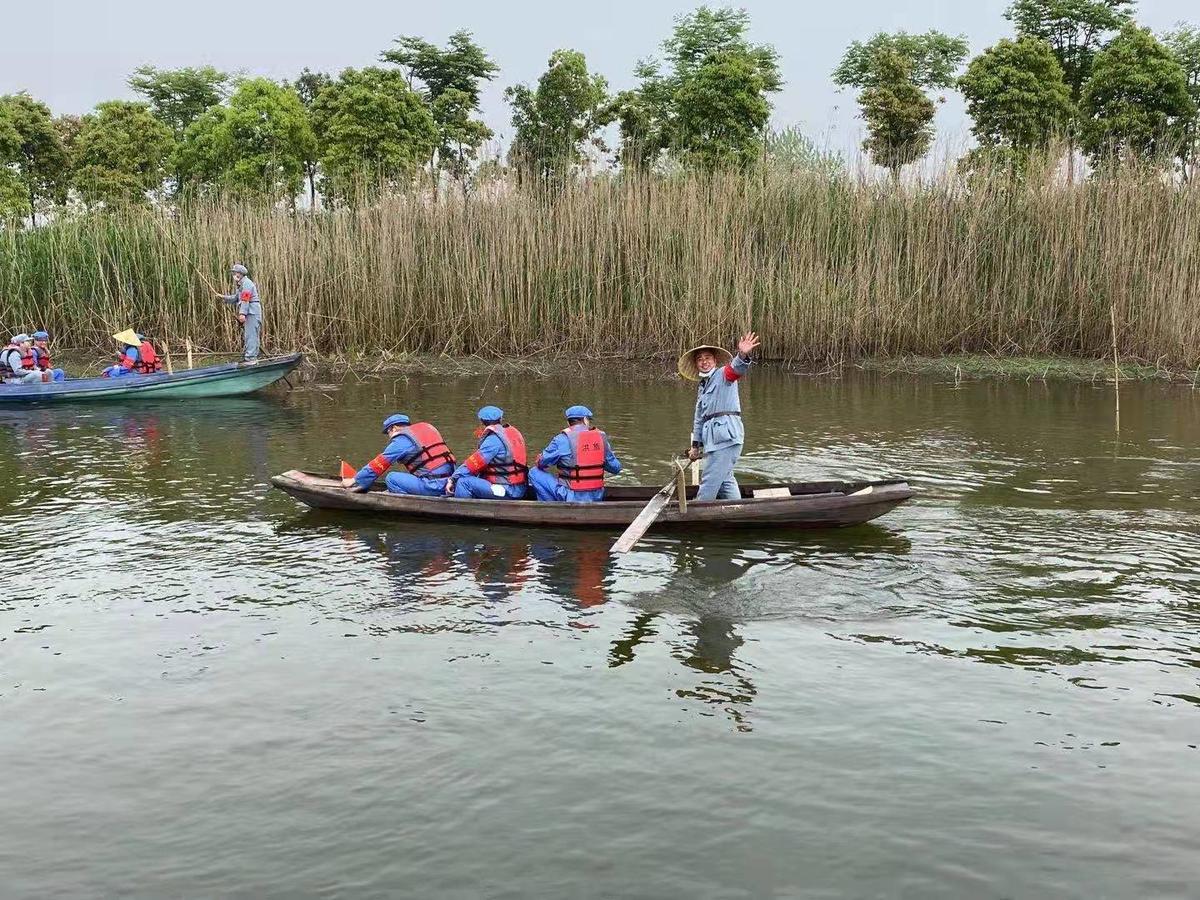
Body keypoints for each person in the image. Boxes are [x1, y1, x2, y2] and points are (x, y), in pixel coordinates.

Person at [679, 331, 761, 501]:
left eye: (708, 358)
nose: (704, 362)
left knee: (709, 481)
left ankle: (696, 514)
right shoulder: (702, 387)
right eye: (700, 359)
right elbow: (699, 419)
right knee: (725, 480)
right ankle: (738, 512)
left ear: (715, 361)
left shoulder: (724, 374)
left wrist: (743, 354)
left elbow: (736, 369)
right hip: (712, 441)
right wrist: (695, 446)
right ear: (696, 364)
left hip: (726, 437)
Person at [341, 414, 456, 496]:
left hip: (434, 486)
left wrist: (355, 480)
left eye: (388, 433)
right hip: (450, 482)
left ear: (394, 428)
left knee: (391, 478)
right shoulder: (426, 429)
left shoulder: (402, 440)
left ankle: (409, 504)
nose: (389, 437)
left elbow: (379, 463)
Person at [528, 405, 622, 503]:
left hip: (571, 497)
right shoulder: (601, 438)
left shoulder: (561, 439)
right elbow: (616, 468)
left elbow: (541, 463)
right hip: (597, 496)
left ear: (568, 422)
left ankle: (552, 507)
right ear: (585, 420)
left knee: (534, 472)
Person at [446, 406, 528, 500]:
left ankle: (462, 512)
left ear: (482, 421)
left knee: (463, 482)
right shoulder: (513, 433)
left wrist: (452, 479)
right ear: (500, 419)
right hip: (520, 488)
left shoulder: (493, 440)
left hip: (506, 490)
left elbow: (472, 464)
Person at [216, 263, 262, 363]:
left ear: (239, 274)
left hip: (252, 311)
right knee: (249, 335)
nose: (233, 275)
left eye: (234, 272)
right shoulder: (241, 285)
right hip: (249, 311)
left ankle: (250, 358)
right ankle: (250, 356)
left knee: (251, 335)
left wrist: (242, 314)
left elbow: (245, 299)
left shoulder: (247, 284)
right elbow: (236, 298)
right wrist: (223, 298)